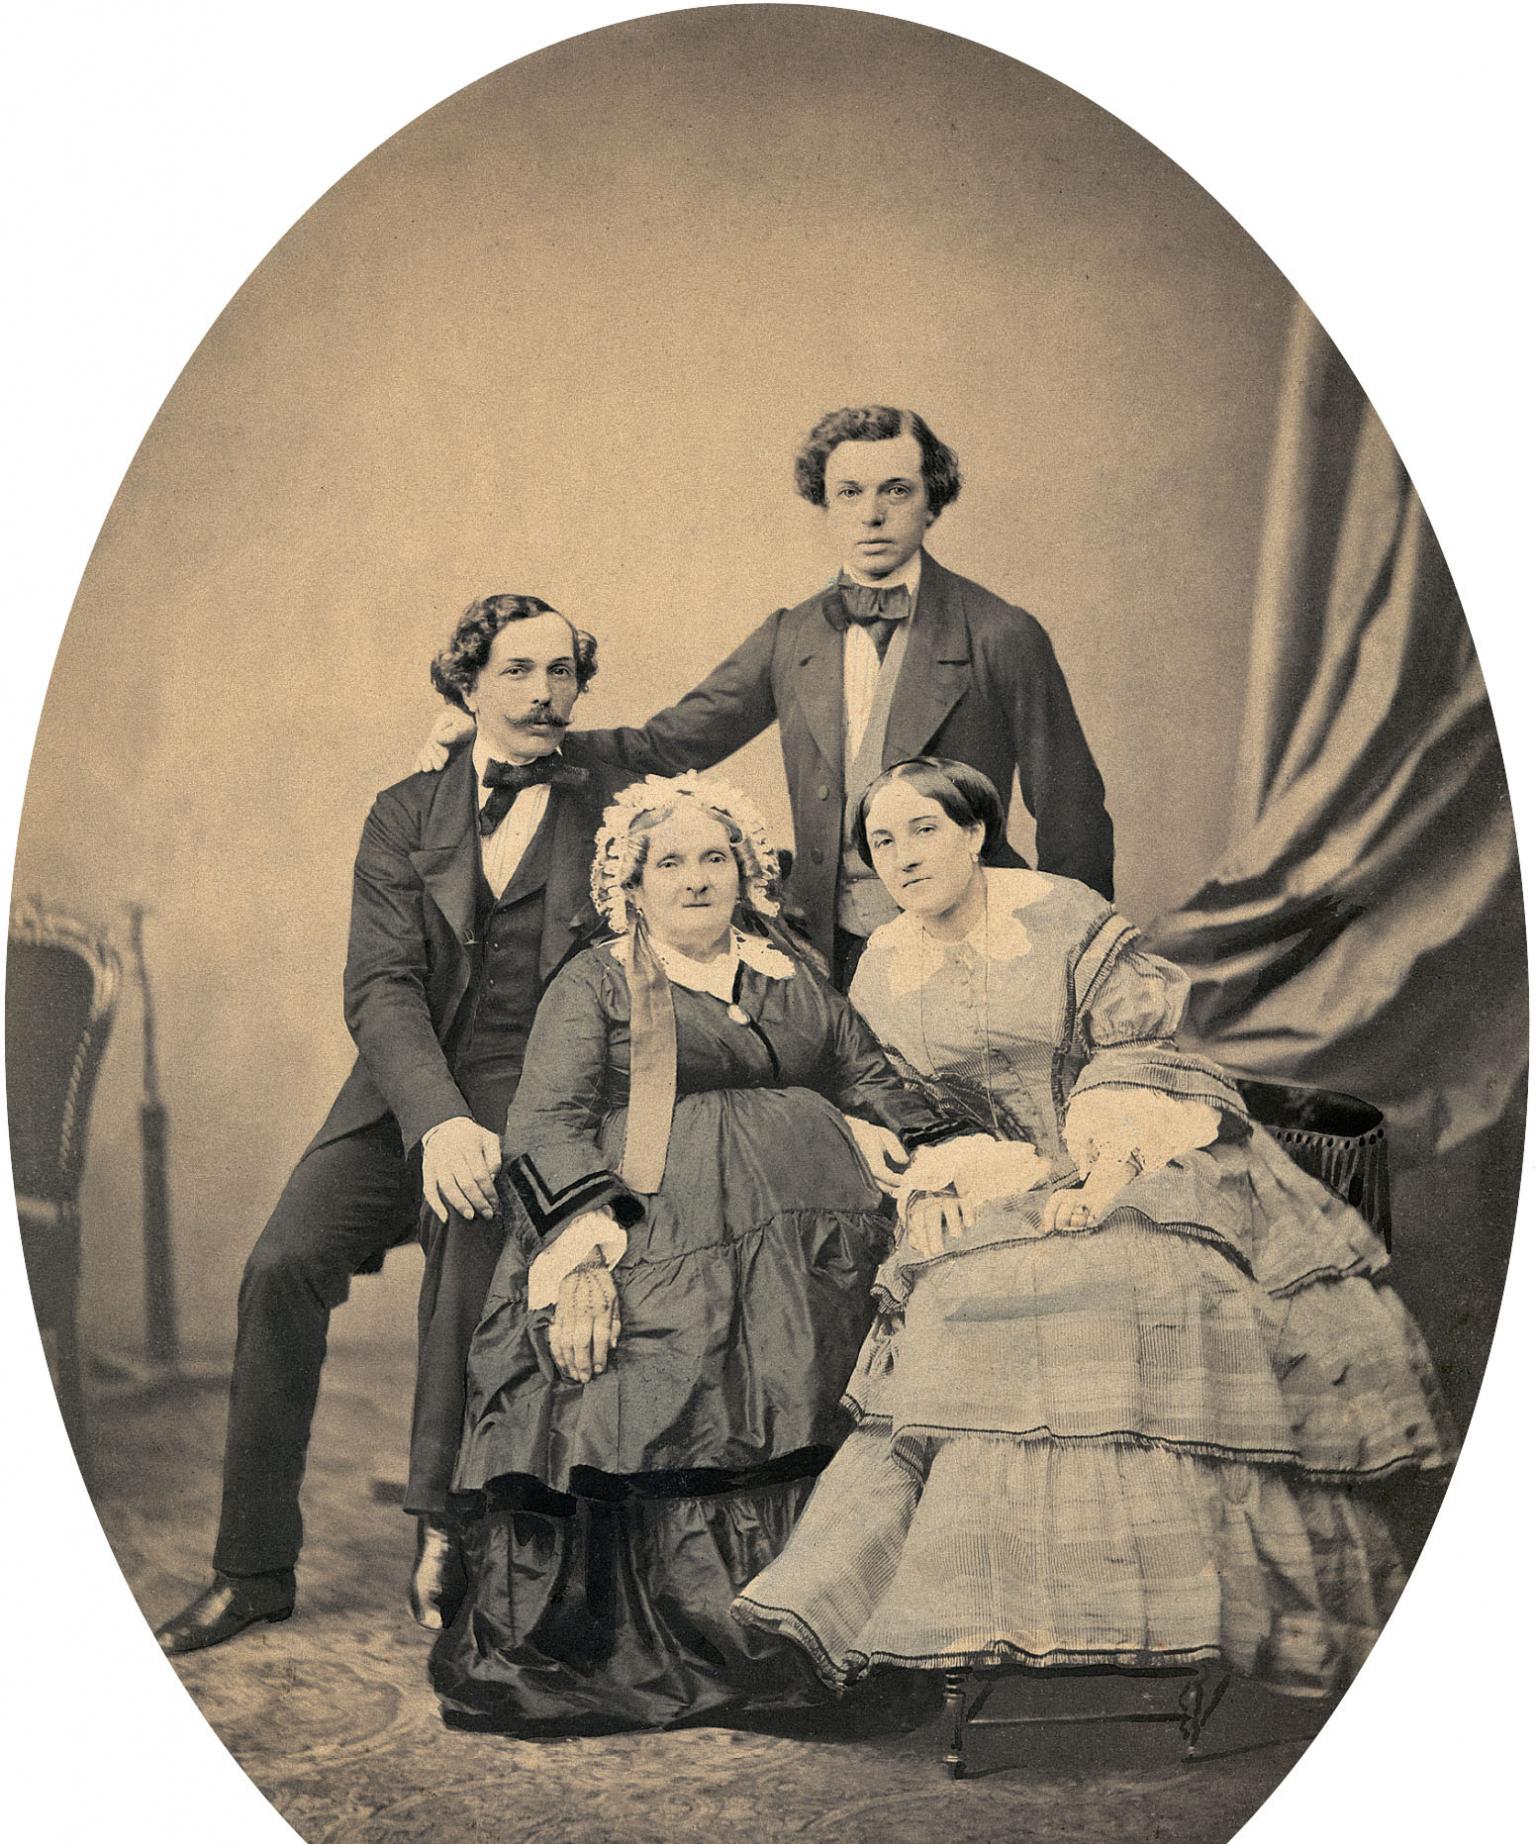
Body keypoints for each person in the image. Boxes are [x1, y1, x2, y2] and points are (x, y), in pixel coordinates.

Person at [732, 758, 1458, 1699]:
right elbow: (896, 1096)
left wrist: (1105, 1176)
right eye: (882, 842)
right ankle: (1015, 1607)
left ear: (973, 833)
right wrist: (933, 1181)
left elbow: (1134, 1050)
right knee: (963, 1302)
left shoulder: (1060, 912)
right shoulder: (881, 961)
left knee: (1136, 1286)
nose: (903, 855)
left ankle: (1169, 1608)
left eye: (924, 829)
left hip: (1145, 1154)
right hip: (998, 1181)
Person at [155, 594, 648, 1655]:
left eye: (561, 671)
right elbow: (380, 983)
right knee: (279, 1265)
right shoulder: (403, 809)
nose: (543, 693)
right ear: (466, 684)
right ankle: (250, 1569)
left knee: (469, 1243)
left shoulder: (616, 806)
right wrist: (435, 1120)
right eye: (516, 670)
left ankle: (442, 1529)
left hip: (536, 1095)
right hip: (402, 1091)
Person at [427, 772, 960, 1731]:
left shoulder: (787, 970)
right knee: (656, 1381)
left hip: (812, 1252)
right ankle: (702, 1631)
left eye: (714, 857)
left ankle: (826, 1617)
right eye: (668, 862)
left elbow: (865, 1070)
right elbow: (547, 1122)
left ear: (745, 873)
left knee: (824, 1377)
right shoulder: (596, 982)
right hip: (650, 1235)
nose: (695, 878)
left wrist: (937, 1153)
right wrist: (581, 1265)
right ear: (630, 886)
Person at [418, 405, 1114, 986]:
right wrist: (505, 734)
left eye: (896, 490)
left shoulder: (1000, 633)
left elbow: (1071, 808)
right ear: (824, 504)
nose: (872, 514)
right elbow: (665, 744)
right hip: (831, 949)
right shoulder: (792, 634)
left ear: (932, 501)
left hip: (976, 936)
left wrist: (1070, 959)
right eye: (849, 493)